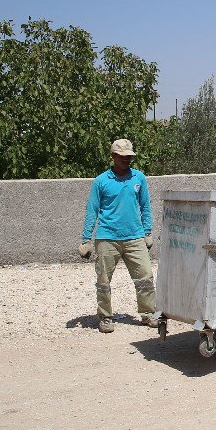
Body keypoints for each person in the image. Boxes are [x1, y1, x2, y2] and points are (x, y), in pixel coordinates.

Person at [79, 139, 157, 334]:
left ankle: (148, 314)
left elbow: (145, 206)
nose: (127, 160)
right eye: (123, 157)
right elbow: (92, 210)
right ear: (113, 156)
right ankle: (105, 317)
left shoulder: (139, 178)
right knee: (104, 280)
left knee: (145, 276)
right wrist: (86, 239)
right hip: (107, 237)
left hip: (135, 237)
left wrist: (147, 231)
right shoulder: (101, 181)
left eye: (129, 157)